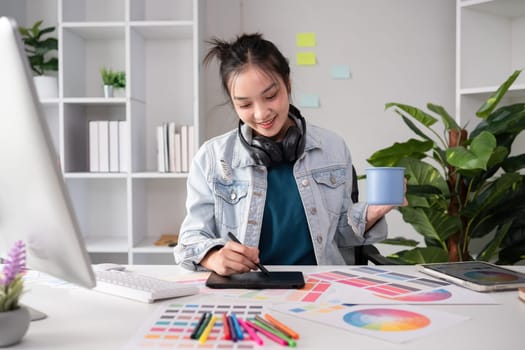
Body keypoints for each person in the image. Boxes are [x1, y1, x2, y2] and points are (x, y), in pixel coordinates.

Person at [173, 33, 403, 276]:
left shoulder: (333, 147)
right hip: (247, 286)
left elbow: (342, 235)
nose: (261, 114)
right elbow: (189, 240)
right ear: (233, 103)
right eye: (245, 105)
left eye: (270, 96)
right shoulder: (212, 158)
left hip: (321, 286)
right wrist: (213, 257)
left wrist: (375, 211)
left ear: (288, 83)